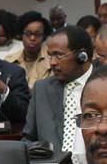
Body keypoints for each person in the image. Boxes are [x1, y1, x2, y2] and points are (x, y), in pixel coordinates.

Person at [22, 25, 93, 154]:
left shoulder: (105, 85)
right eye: (50, 56)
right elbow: (28, 139)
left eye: (59, 55)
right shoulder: (42, 89)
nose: (52, 63)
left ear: (82, 55)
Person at [12, 11, 53, 87]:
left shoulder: (52, 61)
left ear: (44, 36)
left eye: (37, 34)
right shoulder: (10, 60)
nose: (32, 38)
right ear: (21, 35)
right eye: (28, 34)